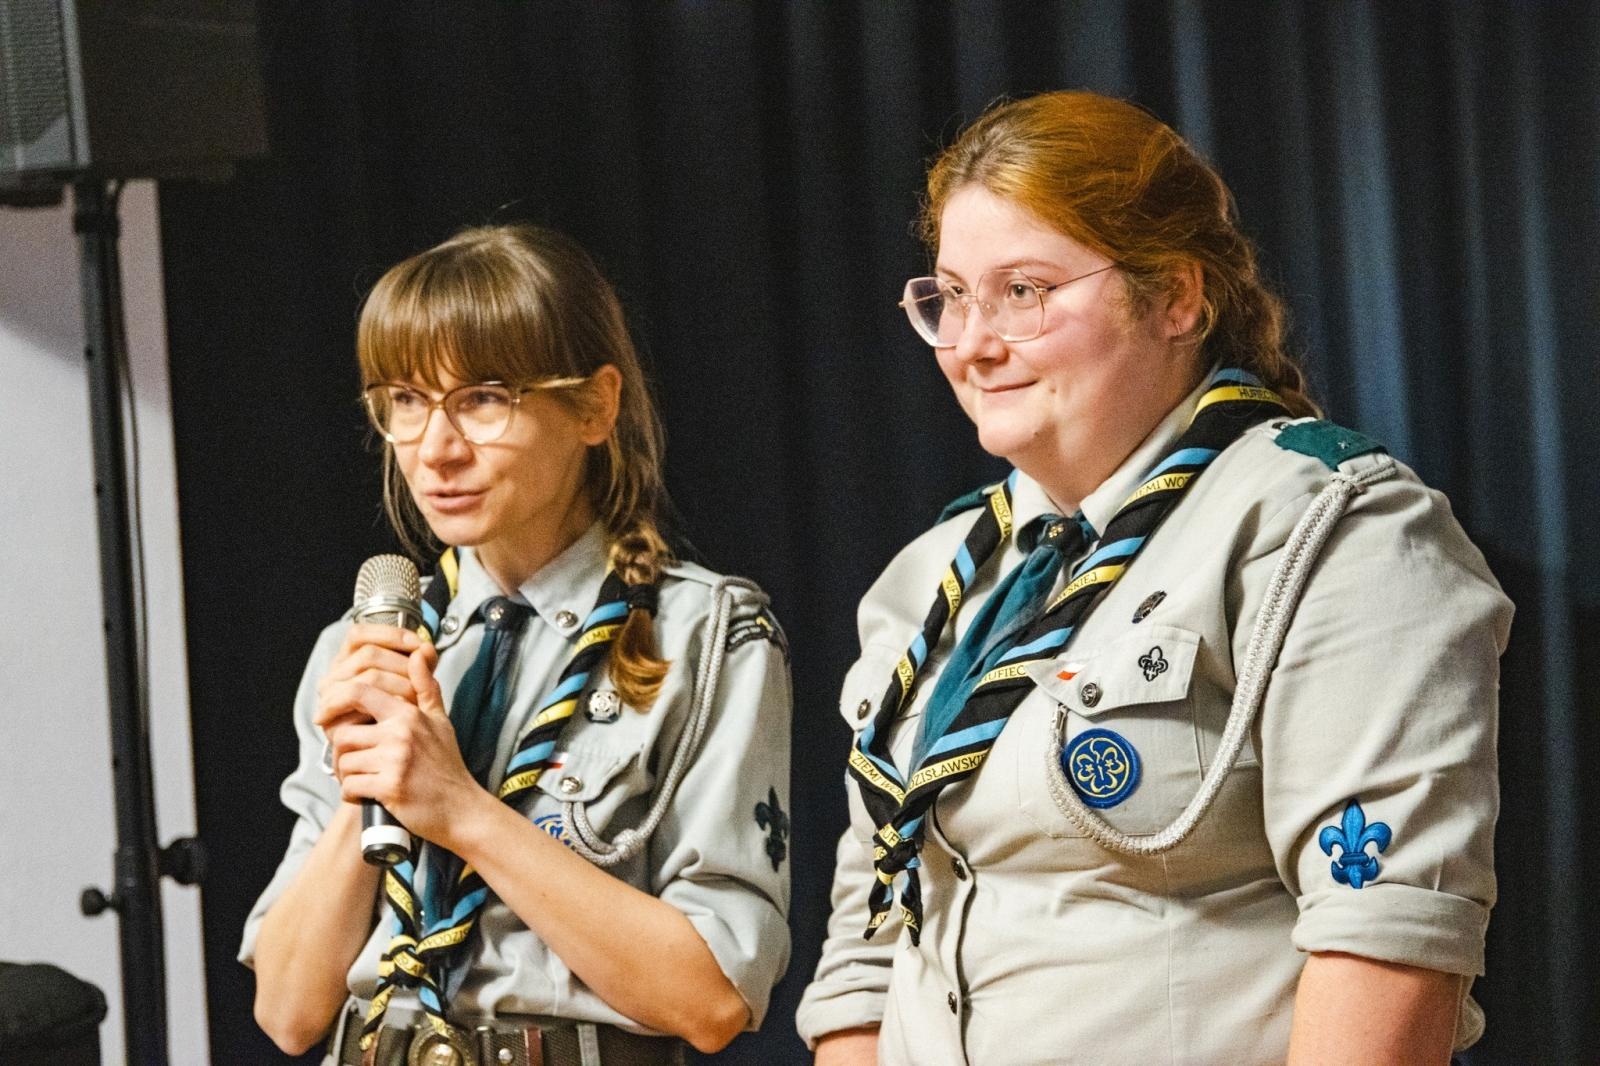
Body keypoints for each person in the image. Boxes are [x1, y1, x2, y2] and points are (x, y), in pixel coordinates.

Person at [797, 91, 1509, 1065]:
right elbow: (868, 947)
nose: (972, 344)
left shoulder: (1332, 531)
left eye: (1023, 291)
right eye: (952, 296)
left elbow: (1387, 943)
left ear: (1176, 297)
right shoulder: (930, 578)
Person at [241, 224, 792, 1066]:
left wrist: (460, 811)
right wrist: (372, 788)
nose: (436, 450)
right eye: (406, 401)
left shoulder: (706, 636)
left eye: (483, 400)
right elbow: (287, 1013)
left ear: (594, 407)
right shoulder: (365, 649)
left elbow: (710, 998)